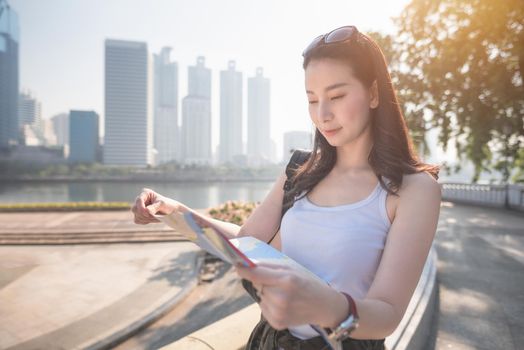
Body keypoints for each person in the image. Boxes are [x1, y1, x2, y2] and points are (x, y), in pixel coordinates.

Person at [131, 25, 441, 350]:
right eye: (312, 99)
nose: (322, 114)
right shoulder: (300, 171)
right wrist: (172, 210)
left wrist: (328, 306)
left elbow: (388, 314)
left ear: (374, 93)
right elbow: (244, 242)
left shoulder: (413, 190)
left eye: (336, 96)